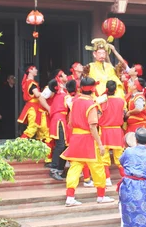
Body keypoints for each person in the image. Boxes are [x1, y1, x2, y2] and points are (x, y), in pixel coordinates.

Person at [61, 76, 114, 206]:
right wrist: (100, 144)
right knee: (97, 167)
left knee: (75, 167)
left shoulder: (75, 101)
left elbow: (71, 122)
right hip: (89, 139)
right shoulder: (91, 104)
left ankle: (70, 197)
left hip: (76, 138)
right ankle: (101, 196)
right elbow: (92, 126)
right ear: (93, 88)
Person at [17, 66, 52, 157]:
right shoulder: (31, 83)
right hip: (34, 108)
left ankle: (44, 154)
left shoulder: (27, 82)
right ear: (30, 70)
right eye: (34, 69)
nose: (36, 70)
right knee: (32, 129)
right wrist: (46, 92)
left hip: (35, 108)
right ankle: (17, 148)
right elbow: (37, 94)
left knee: (43, 130)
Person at [98, 80, 127, 186]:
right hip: (117, 131)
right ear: (115, 89)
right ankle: (124, 177)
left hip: (105, 130)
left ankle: (107, 179)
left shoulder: (101, 101)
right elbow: (124, 114)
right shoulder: (121, 101)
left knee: (104, 156)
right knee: (119, 156)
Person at [48, 76, 71, 181]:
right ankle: (54, 168)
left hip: (59, 120)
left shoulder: (58, 96)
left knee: (63, 145)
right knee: (61, 145)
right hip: (59, 121)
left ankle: (60, 169)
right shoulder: (64, 96)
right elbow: (73, 106)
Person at [0, 74, 16, 139]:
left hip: (14, 110)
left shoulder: (16, 89)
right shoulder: (3, 89)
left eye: (14, 78)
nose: (13, 79)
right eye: (11, 78)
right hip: (5, 111)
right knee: (5, 126)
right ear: (8, 80)